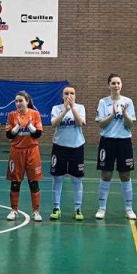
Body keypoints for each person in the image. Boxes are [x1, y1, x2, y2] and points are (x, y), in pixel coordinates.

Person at [94, 74, 137, 220]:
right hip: (107, 141)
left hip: (124, 141)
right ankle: (102, 208)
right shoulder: (103, 102)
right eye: (113, 83)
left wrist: (124, 113)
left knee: (125, 175)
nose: (116, 86)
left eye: (118, 83)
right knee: (106, 174)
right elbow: (101, 123)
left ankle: (129, 208)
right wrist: (113, 114)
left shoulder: (128, 102)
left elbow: (130, 124)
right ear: (109, 85)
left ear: (121, 85)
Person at [48, 85, 86, 221]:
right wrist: (64, 110)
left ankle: (77, 208)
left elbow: (80, 123)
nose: (69, 95)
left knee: (77, 179)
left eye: (72, 93)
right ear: (62, 95)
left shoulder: (80, 108)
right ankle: (56, 208)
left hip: (77, 147)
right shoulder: (56, 108)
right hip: (59, 147)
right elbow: (53, 124)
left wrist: (72, 108)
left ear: (75, 95)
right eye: (66, 93)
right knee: (58, 178)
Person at [5, 91, 45, 222]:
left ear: (27, 101)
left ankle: (36, 211)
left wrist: (30, 127)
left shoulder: (35, 114)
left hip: (32, 151)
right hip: (16, 152)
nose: (18, 103)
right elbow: (9, 135)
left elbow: (38, 134)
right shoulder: (11, 115)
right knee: (15, 182)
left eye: (20, 100)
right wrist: (18, 125)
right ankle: (14, 210)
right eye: (16, 101)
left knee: (33, 182)